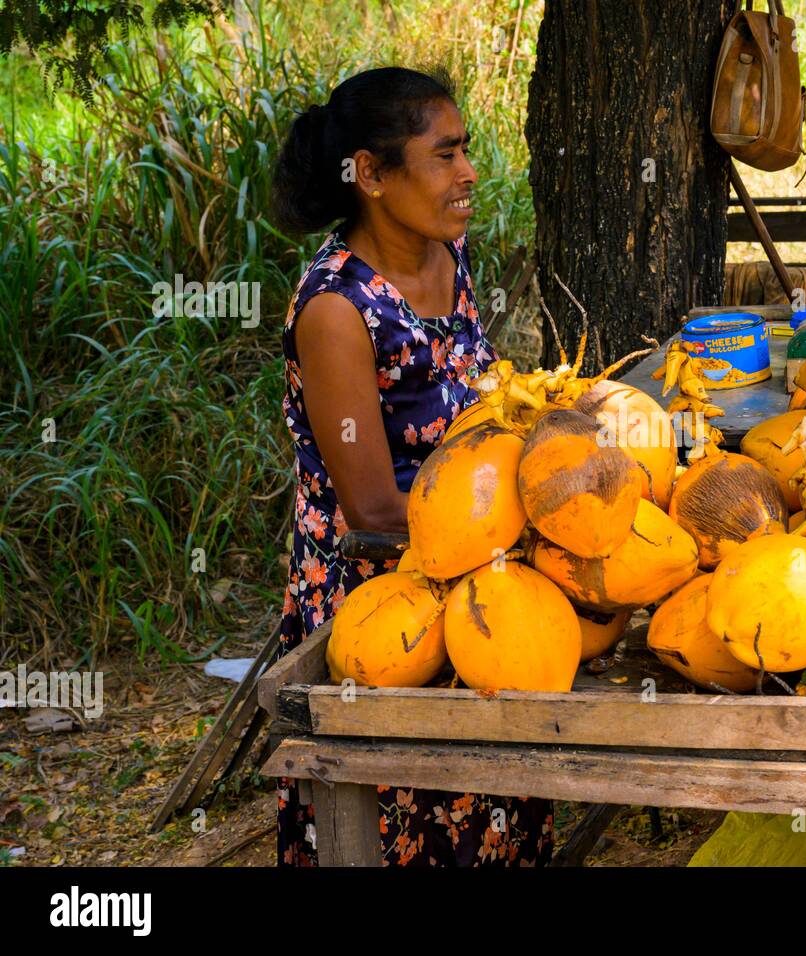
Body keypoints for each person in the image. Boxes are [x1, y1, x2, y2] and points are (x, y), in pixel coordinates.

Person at [270, 66, 552, 867]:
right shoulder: (335, 310)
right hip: (380, 599)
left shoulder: (446, 252)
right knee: (414, 826)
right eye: (444, 155)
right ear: (371, 176)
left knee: (501, 803)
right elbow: (369, 509)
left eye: (465, 150)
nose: (468, 172)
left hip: (474, 569)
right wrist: (522, 517)